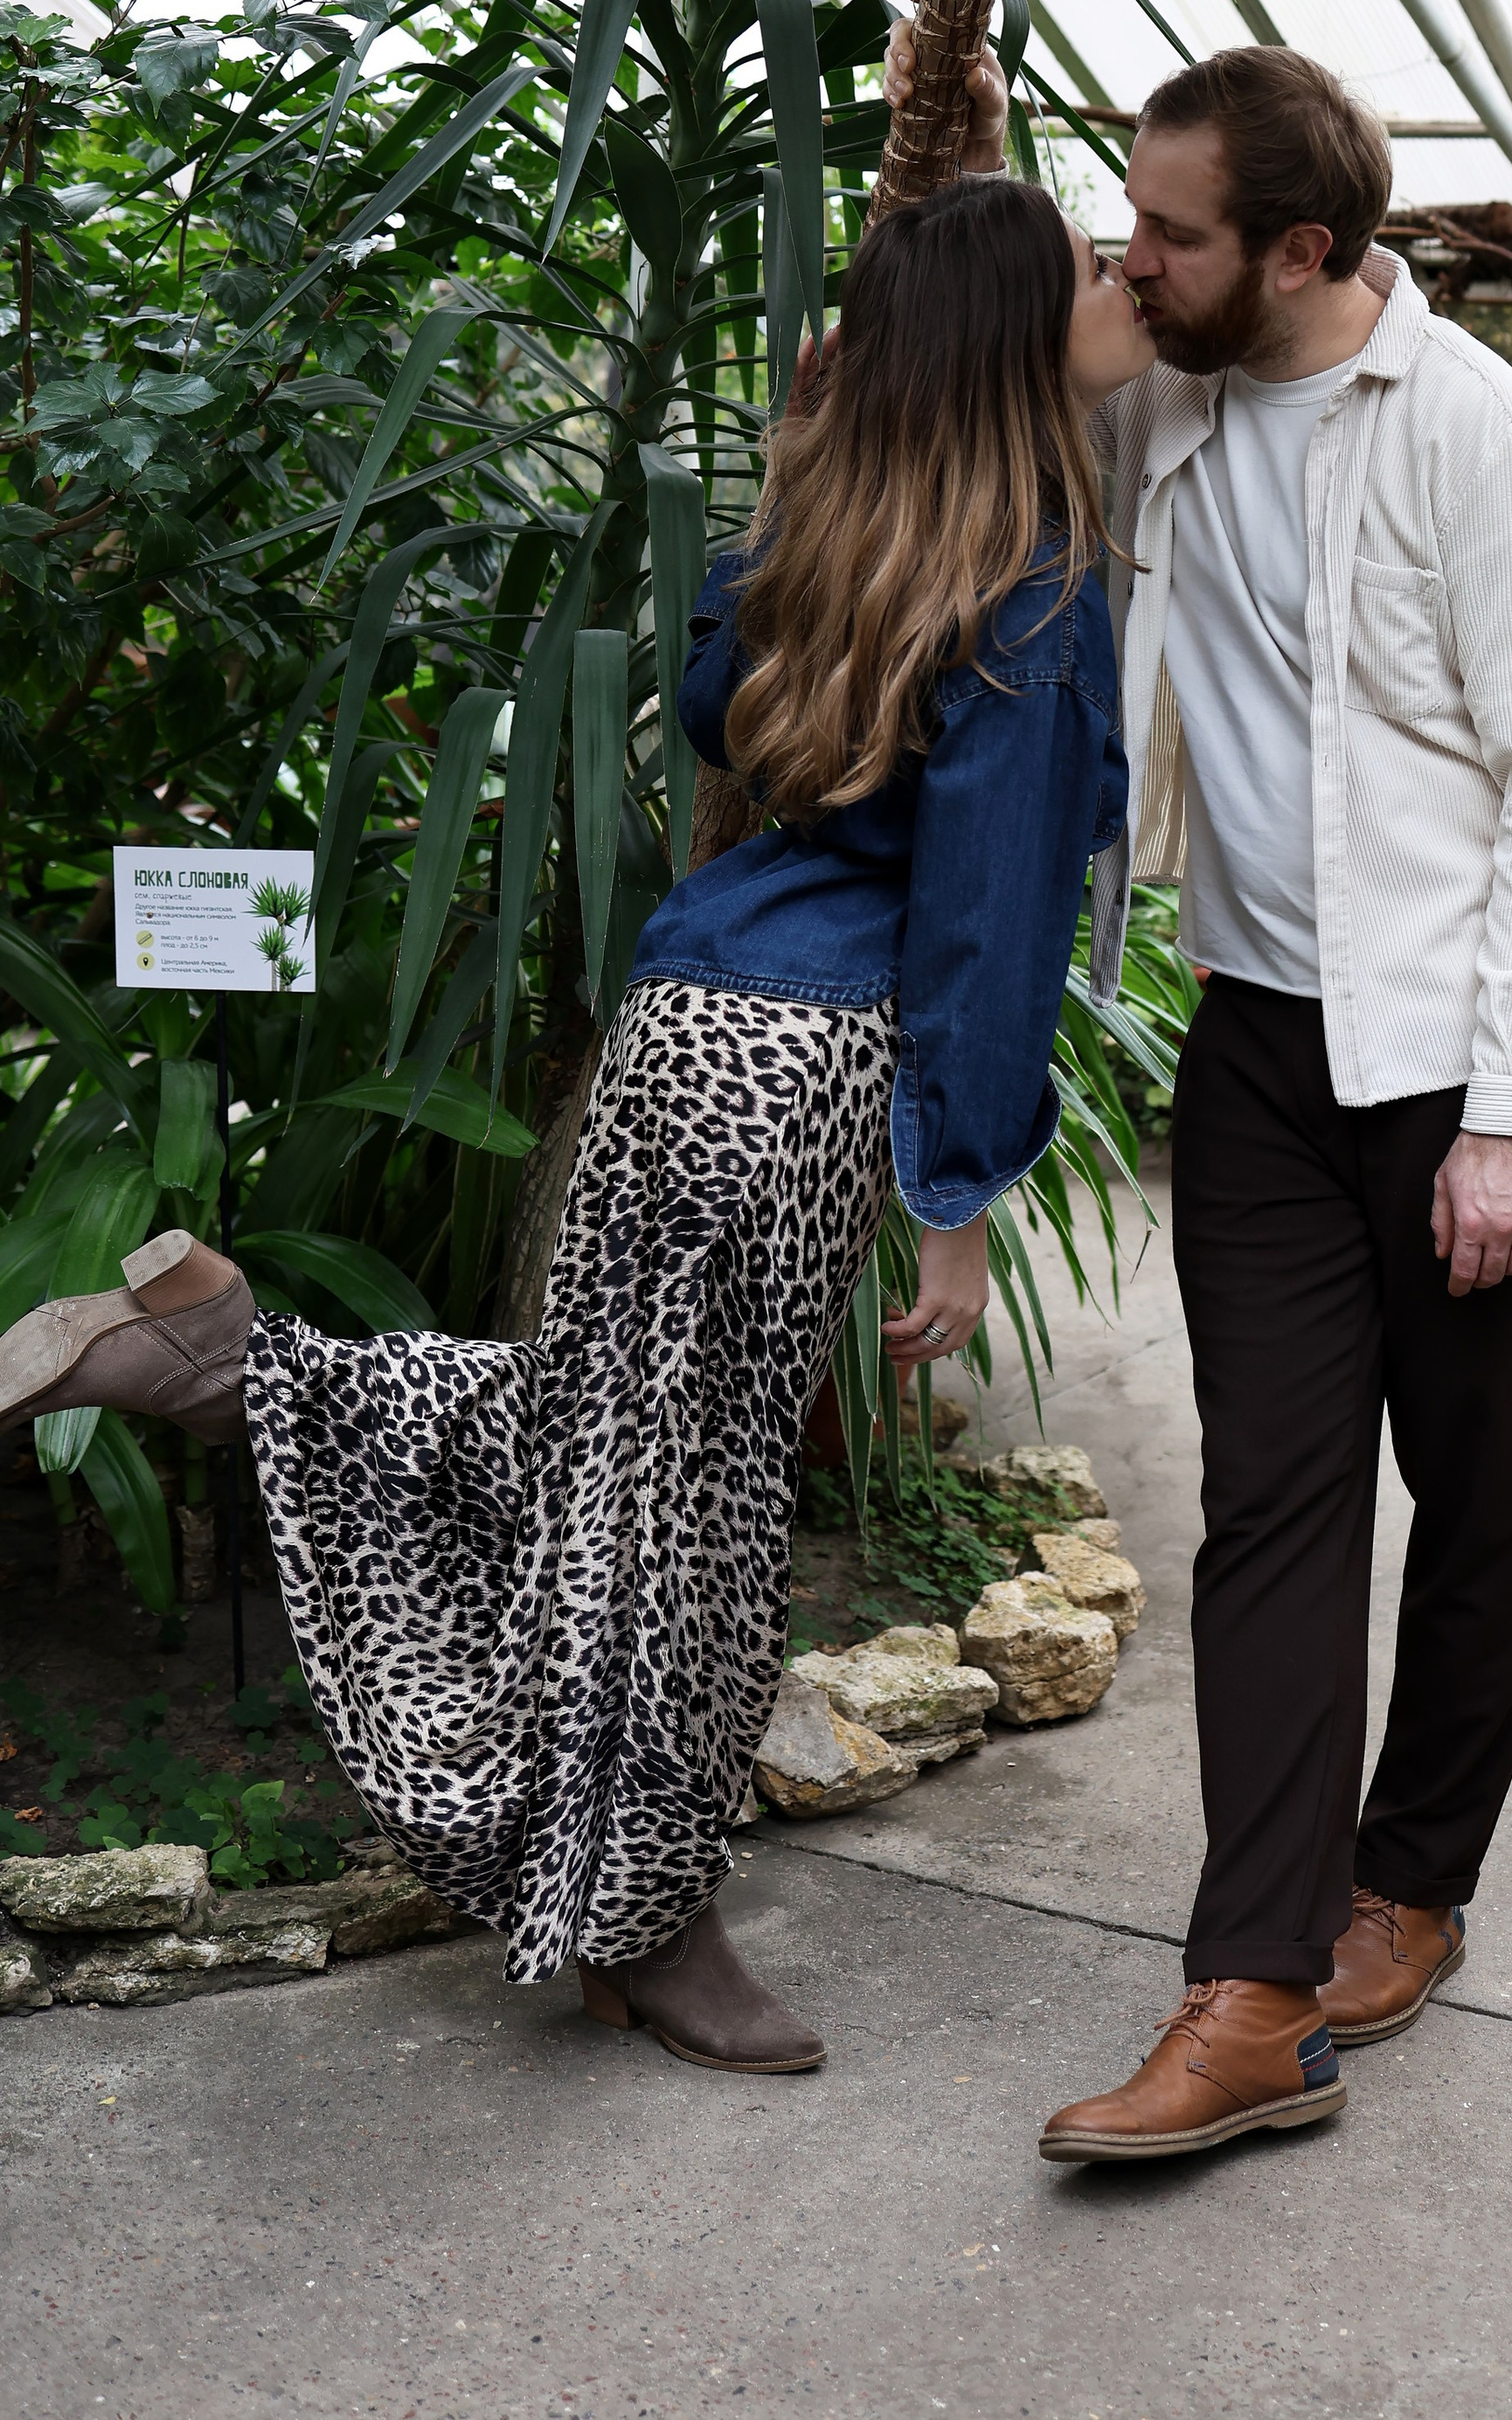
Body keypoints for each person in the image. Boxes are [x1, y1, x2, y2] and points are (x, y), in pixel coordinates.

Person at [0, 164, 1151, 2079]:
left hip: (681, 1031)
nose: (1124, 288)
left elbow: (714, 715)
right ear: (1024, 347)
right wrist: (956, 1193)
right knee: (684, 1504)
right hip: (801, 1076)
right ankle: (650, 1917)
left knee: (600, 1423)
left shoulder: (845, 523)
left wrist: (800, 463)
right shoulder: (1025, 587)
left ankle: (217, 1354)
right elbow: (989, 926)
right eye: (1094, 273)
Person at [889, 24, 1512, 2164]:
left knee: (1481, 1496)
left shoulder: (1471, 439)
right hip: (1262, 1037)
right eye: (1128, 217)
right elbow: (974, 438)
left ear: (1303, 246)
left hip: (1477, 1049)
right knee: (1273, 1502)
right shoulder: (1171, 403)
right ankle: (1251, 1989)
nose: (1134, 260)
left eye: (1174, 234)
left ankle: (1414, 1881)